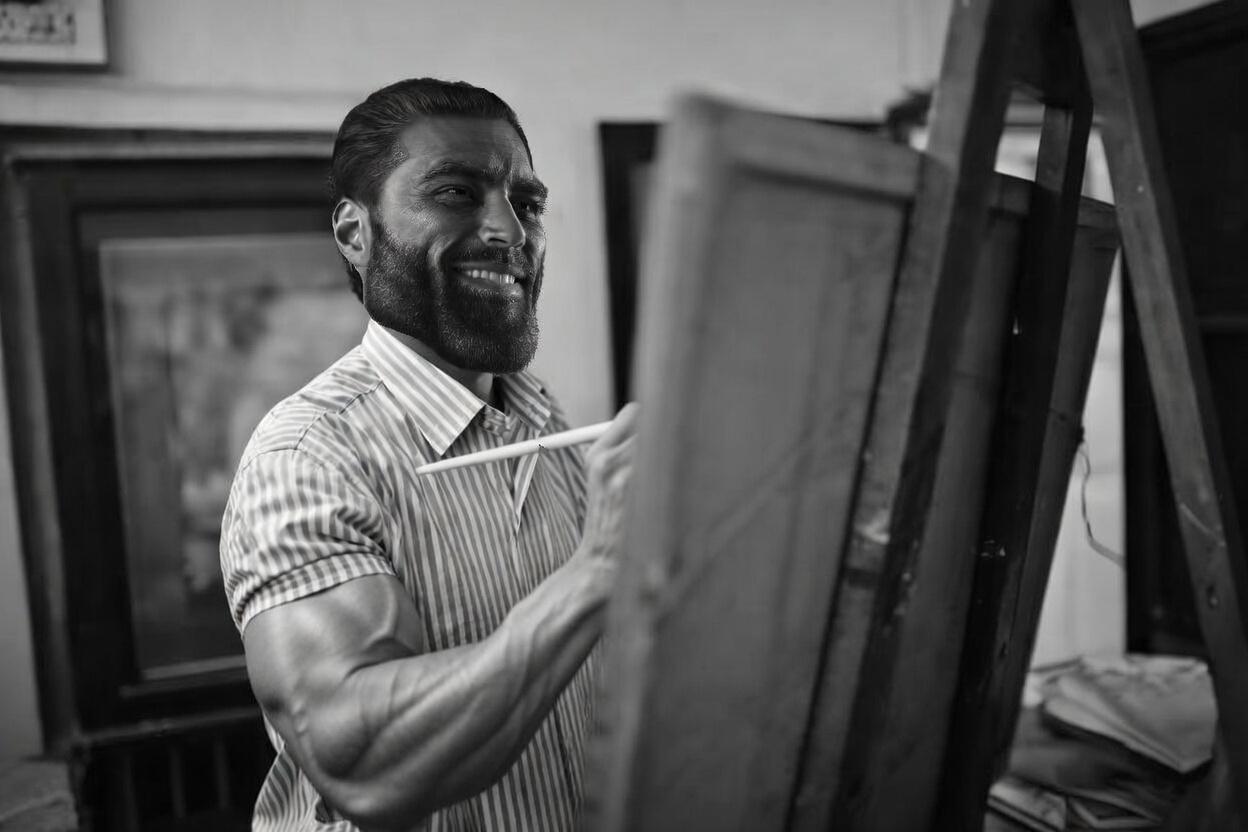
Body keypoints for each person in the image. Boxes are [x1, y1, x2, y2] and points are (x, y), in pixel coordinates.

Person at [219, 77, 637, 832]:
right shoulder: (308, 458)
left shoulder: (544, 422)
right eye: (455, 194)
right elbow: (365, 766)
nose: (510, 231)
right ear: (355, 232)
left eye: (527, 203)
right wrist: (598, 570)